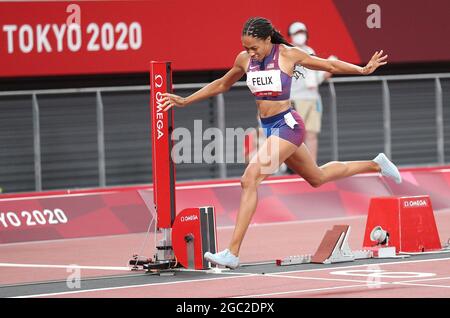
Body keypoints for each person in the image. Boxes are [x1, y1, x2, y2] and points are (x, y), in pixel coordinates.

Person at [161, 17, 401, 269]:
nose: (250, 53)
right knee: (317, 177)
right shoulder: (244, 60)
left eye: (254, 47)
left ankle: (232, 252)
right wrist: (185, 100)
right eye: (246, 48)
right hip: (270, 129)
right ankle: (376, 165)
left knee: (249, 178)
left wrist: (361, 69)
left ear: (267, 40)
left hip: (288, 125)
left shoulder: (288, 55)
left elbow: (327, 64)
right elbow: (222, 84)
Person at [288, 21, 334, 163]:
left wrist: (325, 74)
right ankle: (293, 166)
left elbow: (314, 78)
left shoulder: (310, 51)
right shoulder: (288, 52)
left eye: (302, 32)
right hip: (295, 99)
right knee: (294, 136)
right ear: (290, 36)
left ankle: (311, 165)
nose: (300, 36)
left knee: (312, 135)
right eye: (296, 33)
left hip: (313, 99)